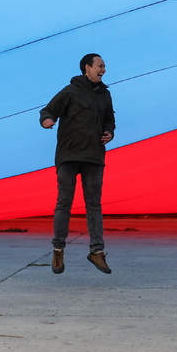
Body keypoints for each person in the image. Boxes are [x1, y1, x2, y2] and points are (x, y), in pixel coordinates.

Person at [41, 53, 116, 275]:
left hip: (93, 156)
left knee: (94, 204)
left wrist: (109, 132)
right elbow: (49, 110)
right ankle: (58, 249)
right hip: (69, 155)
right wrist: (47, 120)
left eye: (104, 66)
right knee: (64, 202)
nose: (104, 70)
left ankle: (97, 252)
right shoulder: (70, 92)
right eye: (100, 66)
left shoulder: (105, 95)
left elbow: (109, 120)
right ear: (87, 68)